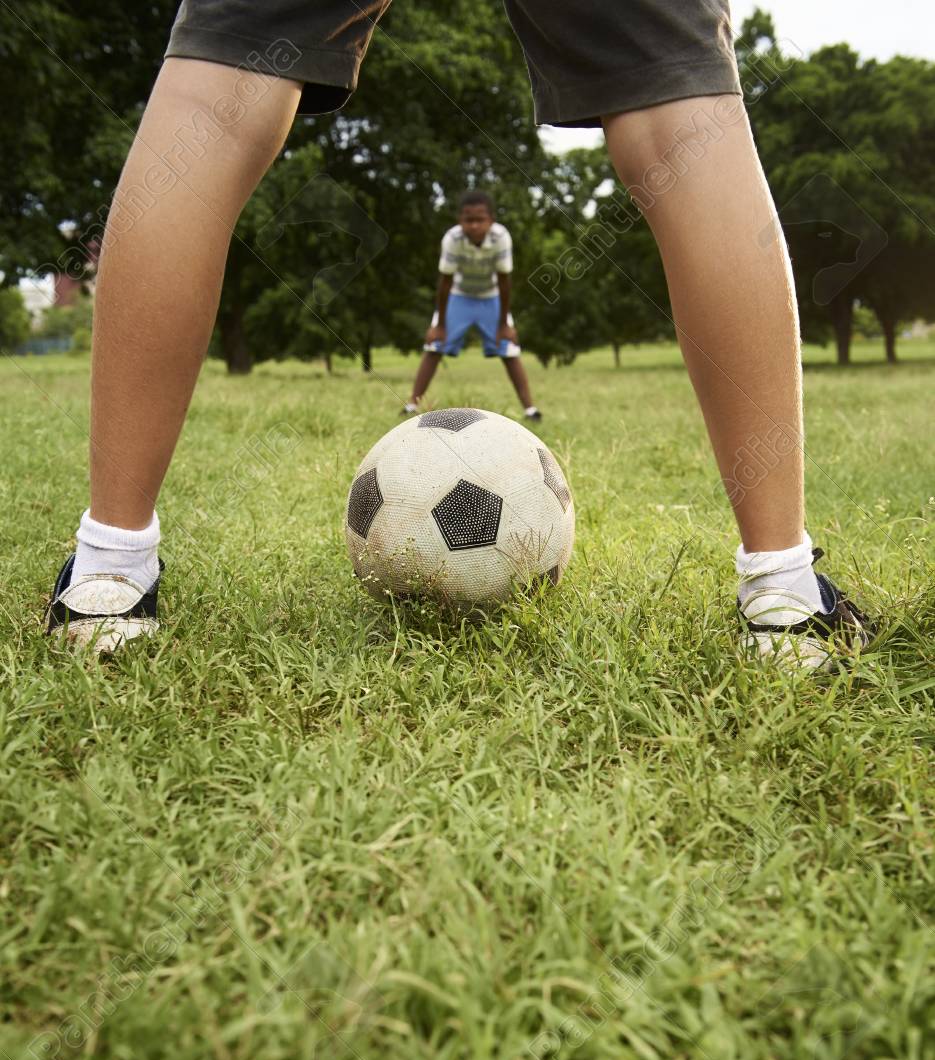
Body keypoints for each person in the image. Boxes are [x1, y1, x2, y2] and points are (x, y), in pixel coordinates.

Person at [45, 0, 872, 667]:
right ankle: (783, 594)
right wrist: (450, 313)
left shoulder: (497, 242)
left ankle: (109, 573)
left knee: (218, 104)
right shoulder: (454, 243)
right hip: (463, 304)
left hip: (487, 304)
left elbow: (500, 279)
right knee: (681, 124)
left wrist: (501, 312)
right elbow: (450, 279)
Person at [400, 189, 541, 421]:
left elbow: (505, 281)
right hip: (459, 295)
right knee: (434, 346)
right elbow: (445, 282)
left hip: (492, 296)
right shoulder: (452, 239)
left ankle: (530, 409)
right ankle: (411, 405)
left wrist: (504, 324)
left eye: (480, 220)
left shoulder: (501, 237)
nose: (474, 225)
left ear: (491, 220)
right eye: (468, 220)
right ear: (460, 221)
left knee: (509, 348)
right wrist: (440, 325)